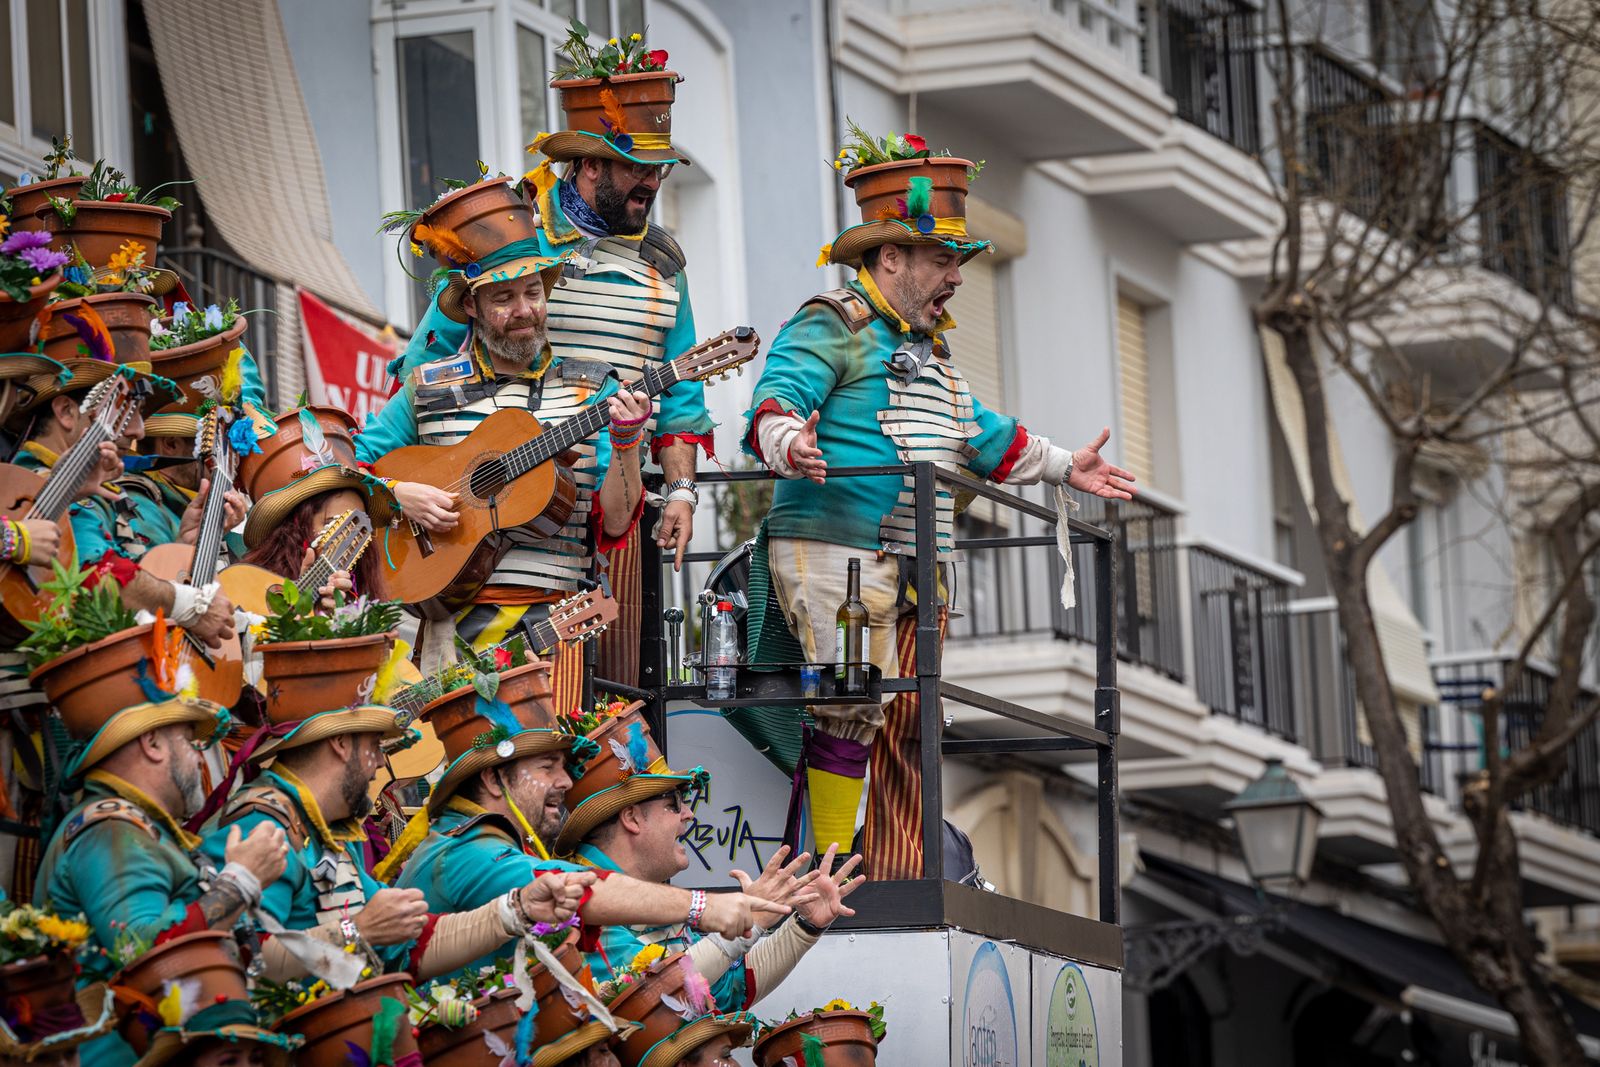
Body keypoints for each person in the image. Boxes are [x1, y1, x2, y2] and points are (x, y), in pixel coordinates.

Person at [743, 131, 1137, 880]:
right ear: (891, 257)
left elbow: (980, 435)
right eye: (942, 259)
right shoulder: (831, 321)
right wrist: (789, 441)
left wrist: (1065, 465)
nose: (957, 275)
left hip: (921, 565)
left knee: (912, 717)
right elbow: (779, 395)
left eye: (959, 260)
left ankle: (895, 867)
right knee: (850, 703)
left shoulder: (936, 352)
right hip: (838, 547)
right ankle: (828, 871)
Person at [392, 31, 714, 691]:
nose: (652, 183)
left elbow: (683, 400)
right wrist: (437, 480)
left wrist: (681, 490)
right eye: (637, 169)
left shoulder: (665, 268)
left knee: (612, 689)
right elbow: (423, 368)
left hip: (614, 491)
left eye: (658, 170)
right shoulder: (514, 242)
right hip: (494, 510)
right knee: (469, 691)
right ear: (590, 166)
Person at [356, 217, 647, 711]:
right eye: (504, 298)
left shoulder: (593, 387)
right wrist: (397, 494)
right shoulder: (425, 387)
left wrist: (626, 444)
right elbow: (353, 471)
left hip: (558, 621)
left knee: (550, 754)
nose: (524, 310)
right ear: (471, 305)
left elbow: (617, 522)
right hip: (449, 620)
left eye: (533, 292)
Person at [381, 671, 793, 981]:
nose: (565, 782)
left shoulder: (481, 844)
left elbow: (723, 995)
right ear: (493, 779)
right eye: (548, 767)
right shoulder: (468, 852)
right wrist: (705, 906)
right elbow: (576, 889)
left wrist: (802, 927)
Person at [198, 683, 592, 986]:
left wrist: (517, 909)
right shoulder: (262, 824)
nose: (380, 764)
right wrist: (357, 931)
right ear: (340, 743)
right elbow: (233, 959)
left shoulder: (328, 831)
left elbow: (412, 944)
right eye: (375, 746)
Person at [33, 697, 289, 1067]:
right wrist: (240, 881)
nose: (201, 759)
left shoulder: (136, 829)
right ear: (152, 744)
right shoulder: (112, 830)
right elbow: (142, 950)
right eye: (191, 742)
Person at [557, 714, 859, 1012]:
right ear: (632, 818)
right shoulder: (581, 900)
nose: (689, 814)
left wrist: (805, 927)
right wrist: (751, 919)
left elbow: (726, 992)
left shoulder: (647, 895)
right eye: (674, 802)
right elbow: (654, 998)